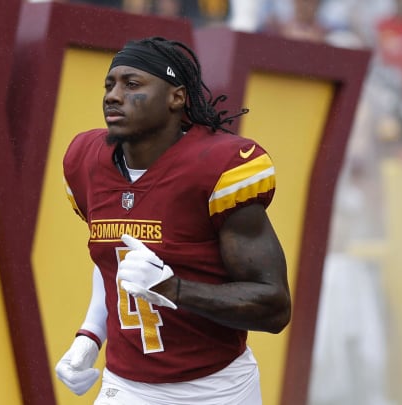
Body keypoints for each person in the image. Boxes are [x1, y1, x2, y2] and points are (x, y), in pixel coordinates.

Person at [55, 37, 292, 404]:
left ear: (176, 97)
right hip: (127, 386)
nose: (113, 96)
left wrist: (175, 289)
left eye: (132, 85)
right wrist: (89, 334)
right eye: (110, 85)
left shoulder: (219, 167)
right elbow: (114, 263)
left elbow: (274, 307)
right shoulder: (86, 162)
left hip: (218, 388)